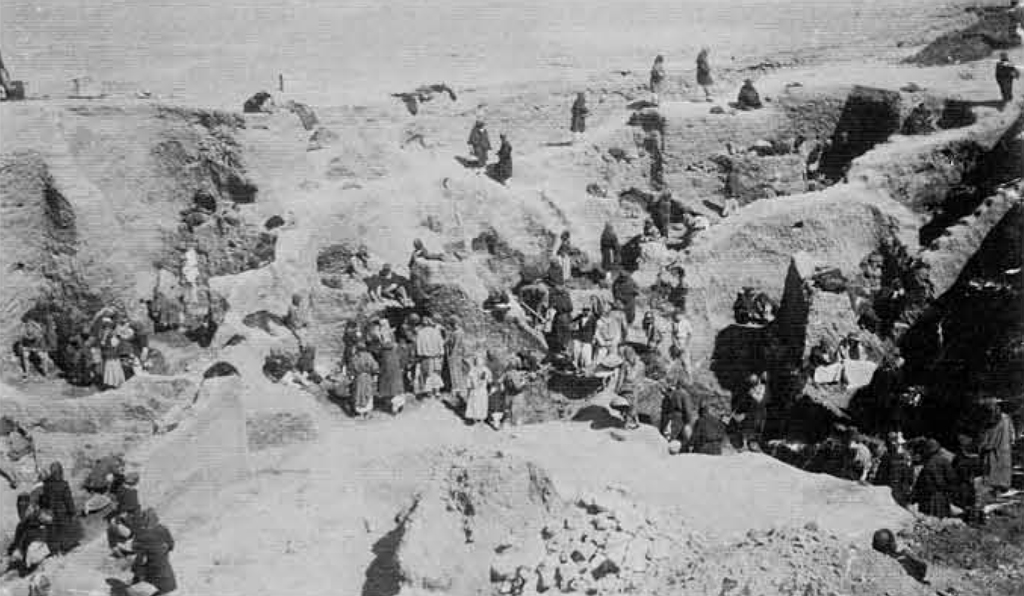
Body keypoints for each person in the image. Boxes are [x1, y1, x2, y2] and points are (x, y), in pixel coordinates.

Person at [131, 508, 177, 596]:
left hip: (150, 570)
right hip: (165, 570)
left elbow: (135, 549)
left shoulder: (141, 534)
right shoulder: (163, 529)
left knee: (138, 569)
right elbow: (171, 545)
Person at [39, 461, 77, 554]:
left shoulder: (46, 484)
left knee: (52, 531)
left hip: (50, 511)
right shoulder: (63, 484)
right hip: (62, 511)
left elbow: (43, 498)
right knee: (63, 529)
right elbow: (68, 499)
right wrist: (72, 511)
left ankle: (54, 550)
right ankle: (64, 548)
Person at [912, 439, 957, 518]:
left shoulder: (927, 463)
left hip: (928, 497)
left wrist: (914, 497)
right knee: (942, 520)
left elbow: (920, 483)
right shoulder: (944, 461)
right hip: (941, 497)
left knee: (929, 521)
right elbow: (952, 479)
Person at [979, 402, 1015, 495]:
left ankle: (999, 486)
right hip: (1001, 447)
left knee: (999, 467)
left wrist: (986, 444)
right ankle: (999, 486)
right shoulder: (1001, 418)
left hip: (999, 447)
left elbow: (992, 433)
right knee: (997, 467)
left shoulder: (1002, 419)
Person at [4, 504, 50, 577]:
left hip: (37, 545)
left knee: (31, 550)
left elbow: (47, 519)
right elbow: (18, 539)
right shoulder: (22, 524)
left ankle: (27, 567)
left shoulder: (39, 517)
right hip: (28, 545)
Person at [873, 432, 914, 507]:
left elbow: (882, 471)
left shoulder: (896, 454)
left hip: (892, 485)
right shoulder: (901, 454)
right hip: (893, 484)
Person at [374, 319, 406, 414]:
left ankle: (390, 401)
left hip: (385, 361)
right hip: (393, 361)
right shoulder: (388, 335)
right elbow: (391, 345)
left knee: (387, 381)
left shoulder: (380, 335)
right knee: (395, 382)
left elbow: (379, 349)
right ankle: (394, 404)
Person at [614, 346, 645, 429]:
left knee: (632, 403)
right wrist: (618, 389)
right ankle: (634, 421)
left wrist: (640, 386)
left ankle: (627, 423)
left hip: (635, 387)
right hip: (626, 387)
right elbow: (621, 377)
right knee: (631, 402)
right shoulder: (625, 364)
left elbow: (641, 377)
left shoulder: (641, 364)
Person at [414, 317, 446, 398]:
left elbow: (418, 346)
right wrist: (441, 353)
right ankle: (437, 391)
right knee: (436, 373)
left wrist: (420, 354)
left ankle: (429, 391)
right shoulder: (436, 332)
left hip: (426, 357)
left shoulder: (420, 333)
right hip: (436, 357)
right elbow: (440, 343)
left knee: (427, 374)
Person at [661, 383, 697, 449]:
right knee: (681, 438)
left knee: (672, 436)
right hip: (681, 417)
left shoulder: (672, 393)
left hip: (671, 415)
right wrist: (688, 421)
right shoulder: (684, 394)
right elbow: (687, 409)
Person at [350, 343, 379, 418]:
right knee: (368, 392)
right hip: (367, 377)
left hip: (358, 378)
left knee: (359, 393)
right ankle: (368, 412)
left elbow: (351, 368)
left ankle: (360, 413)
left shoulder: (355, 357)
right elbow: (375, 367)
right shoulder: (369, 356)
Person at [445, 317, 468, 403]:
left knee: (455, 371)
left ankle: (456, 389)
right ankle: (458, 388)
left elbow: (456, 344)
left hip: (455, 354)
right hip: (457, 354)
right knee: (457, 371)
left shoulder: (458, 332)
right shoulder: (456, 332)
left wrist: (452, 355)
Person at [464, 354, 492, 424]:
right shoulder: (485, 370)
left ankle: (477, 417)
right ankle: (479, 418)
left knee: (477, 404)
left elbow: (468, 382)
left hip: (477, 390)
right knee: (479, 404)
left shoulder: (474, 370)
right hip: (480, 390)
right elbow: (490, 380)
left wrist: (469, 387)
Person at [571, 305, 597, 370]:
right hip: (581, 337)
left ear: (589, 311)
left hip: (588, 338)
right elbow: (572, 320)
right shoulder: (580, 317)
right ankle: (578, 367)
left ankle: (587, 368)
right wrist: (577, 315)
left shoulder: (593, 319)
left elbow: (594, 328)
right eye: (584, 310)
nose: (585, 312)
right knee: (579, 353)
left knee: (587, 354)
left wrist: (593, 337)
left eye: (587, 310)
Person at [669, 311, 693, 378]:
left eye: (678, 315)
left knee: (686, 362)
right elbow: (673, 335)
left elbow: (689, 335)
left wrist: (685, 345)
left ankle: (689, 378)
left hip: (684, 341)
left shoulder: (686, 322)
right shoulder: (673, 323)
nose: (677, 317)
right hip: (677, 342)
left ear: (681, 315)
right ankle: (673, 379)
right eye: (675, 316)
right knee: (674, 361)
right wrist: (676, 344)